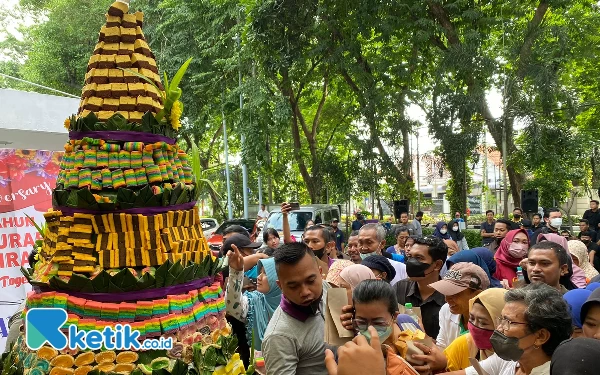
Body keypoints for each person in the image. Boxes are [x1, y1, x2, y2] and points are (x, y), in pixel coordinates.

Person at [457, 283, 572, 375]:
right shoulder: (509, 360)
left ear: (541, 336)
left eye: (509, 322)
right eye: (500, 319)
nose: (499, 328)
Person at [262, 242, 329, 375]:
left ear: (320, 274)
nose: (305, 292)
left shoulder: (326, 288)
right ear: (280, 286)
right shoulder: (279, 337)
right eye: (293, 286)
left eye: (310, 281)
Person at [413, 262, 490, 373]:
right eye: (445, 292)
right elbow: (442, 347)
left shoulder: (492, 323)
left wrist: (444, 362)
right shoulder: (446, 310)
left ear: (477, 294)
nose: (447, 299)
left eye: (455, 293)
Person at [349, 279, 421, 374]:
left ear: (394, 317)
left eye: (378, 322)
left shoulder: (407, 324)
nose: (370, 330)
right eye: (361, 322)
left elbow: (434, 355)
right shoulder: (357, 351)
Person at [226, 251, 282, 352]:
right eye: (260, 272)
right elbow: (232, 306)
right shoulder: (255, 300)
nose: (258, 277)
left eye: (265, 273)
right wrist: (235, 273)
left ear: (277, 278)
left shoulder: (293, 303)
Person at [393, 236, 448, 339]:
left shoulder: (449, 298)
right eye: (410, 257)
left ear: (437, 265)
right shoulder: (400, 288)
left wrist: (423, 338)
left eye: (419, 258)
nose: (411, 263)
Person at [443, 288, 507, 371]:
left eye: (483, 323)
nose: (475, 327)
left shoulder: (518, 357)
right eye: (472, 318)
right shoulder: (464, 344)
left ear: (503, 324)